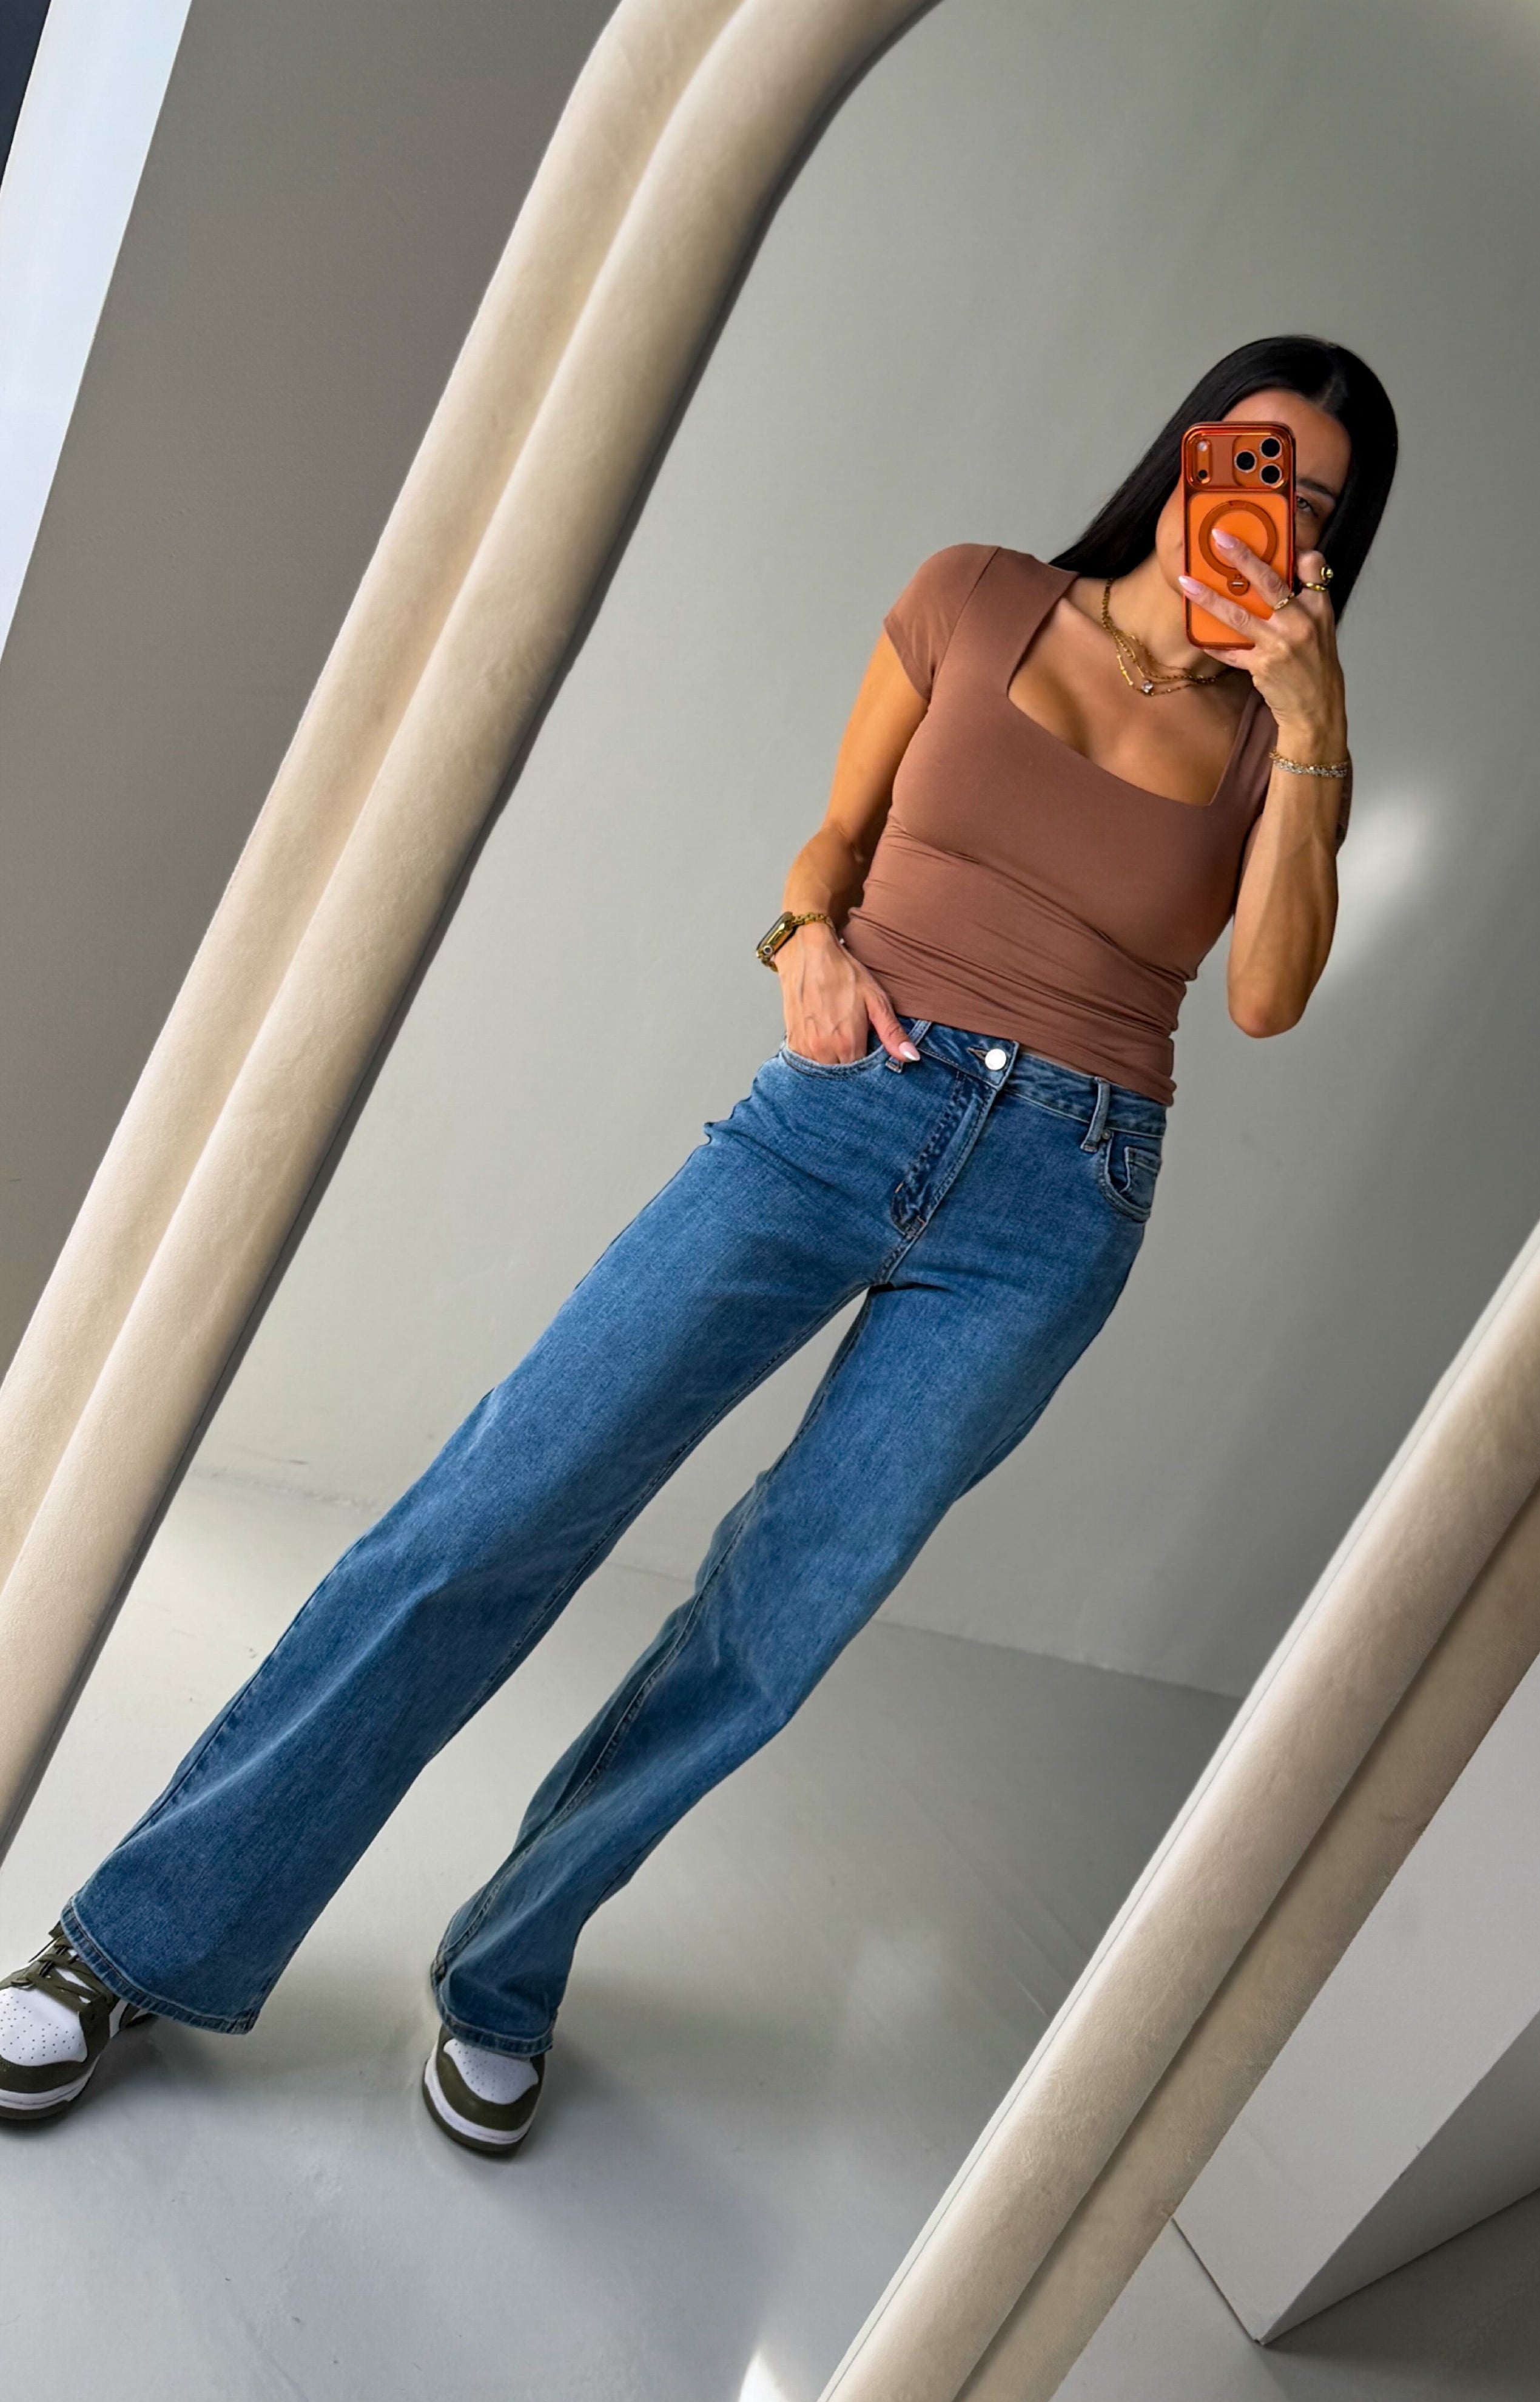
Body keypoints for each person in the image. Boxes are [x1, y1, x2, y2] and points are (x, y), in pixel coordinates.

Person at [0, 334, 1397, 2153]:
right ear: (1192, 451)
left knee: (775, 1625)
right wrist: (801, 947)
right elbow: (834, 845)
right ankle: (137, 1943)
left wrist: (1317, 729)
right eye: (1254, 461)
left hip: (1064, 1196)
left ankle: (508, 1966)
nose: (1270, 512)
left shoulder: (1281, 742)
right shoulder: (975, 598)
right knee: (498, 1509)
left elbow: (1269, 998)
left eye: (1316, 503)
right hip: (842, 1107)